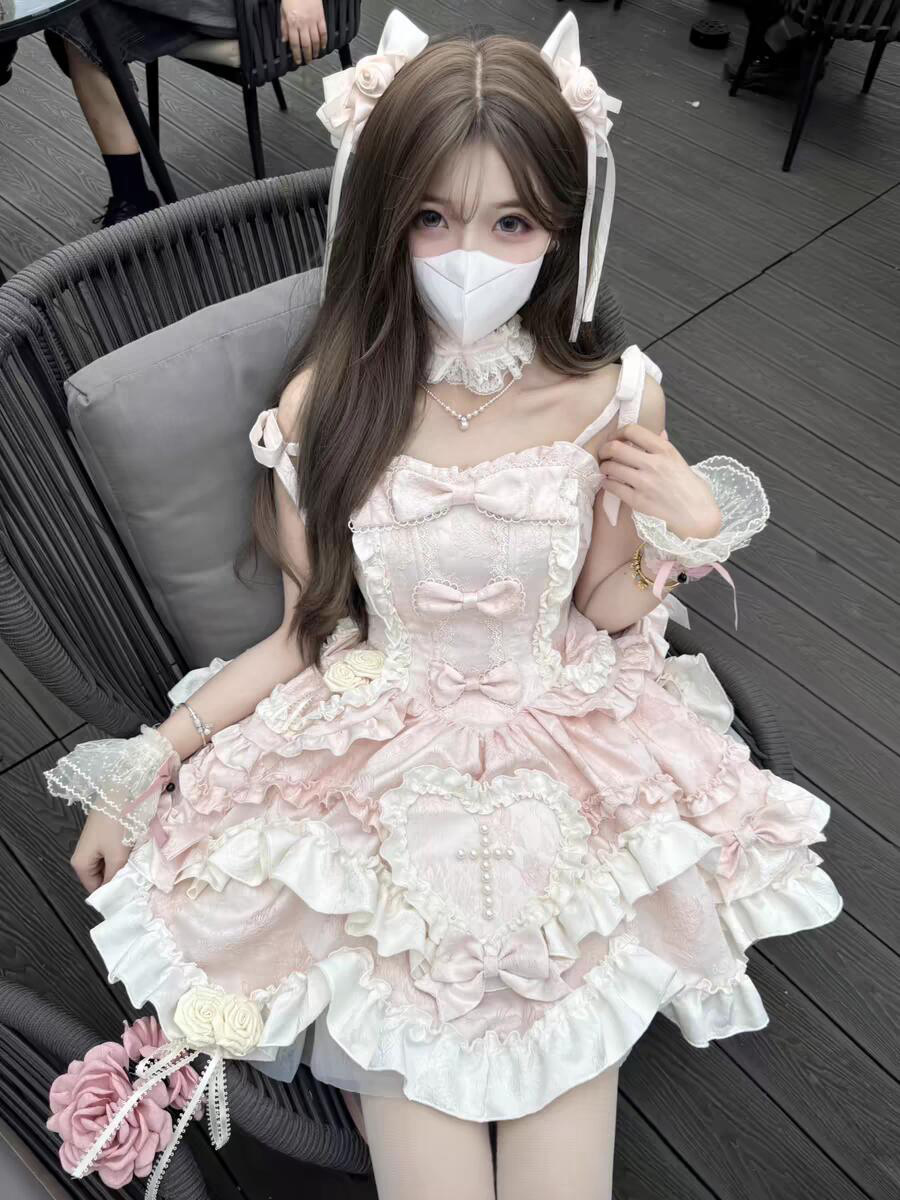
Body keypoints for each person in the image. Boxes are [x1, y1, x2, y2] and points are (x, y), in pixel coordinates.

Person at [43, 10, 844, 1199]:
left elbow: (607, 608)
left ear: (560, 225)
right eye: (432, 216)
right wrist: (148, 760)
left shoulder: (617, 394)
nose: (470, 253)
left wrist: (684, 527)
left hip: (568, 764)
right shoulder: (328, 403)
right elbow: (305, 636)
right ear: (384, 216)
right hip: (376, 779)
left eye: (511, 221)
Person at [43, 0, 327, 227]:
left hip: (253, 9)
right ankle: (130, 193)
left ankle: (133, 197)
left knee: (75, 10)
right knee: (78, 22)